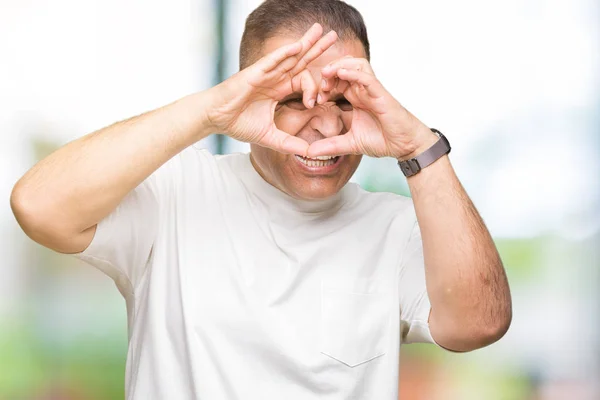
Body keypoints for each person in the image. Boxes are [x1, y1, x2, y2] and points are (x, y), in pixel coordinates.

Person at [10, 0, 512, 399]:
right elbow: (39, 207)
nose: (328, 124)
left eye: (345, 100)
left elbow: (479, 324)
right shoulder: (176, 195)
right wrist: (211, 111)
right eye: (294, 100)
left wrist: (418, 148)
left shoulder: (395, 226)